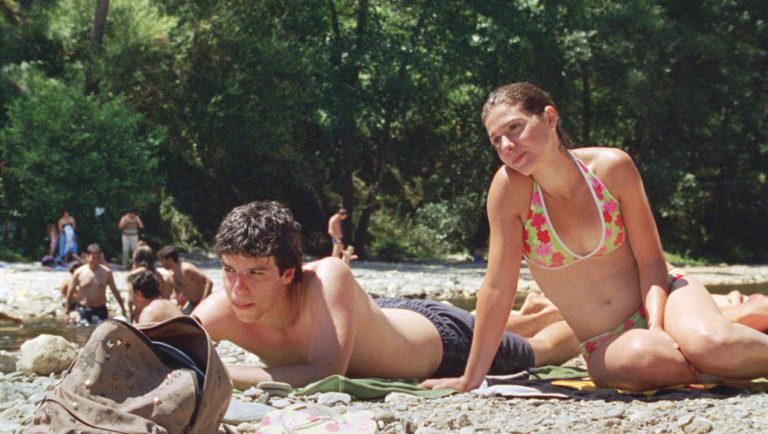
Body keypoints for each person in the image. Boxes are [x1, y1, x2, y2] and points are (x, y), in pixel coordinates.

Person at [422, 82, 768, 392]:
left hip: (665, 295)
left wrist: (658, 325)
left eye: (515, 128)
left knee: (714, 343)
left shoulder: (611, 168)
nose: (508, 145)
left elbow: (650, 260)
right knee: (643, 358)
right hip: (607, 341)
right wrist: (471, 378)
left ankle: (708, 355)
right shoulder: (509, 190)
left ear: (549, 117)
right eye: (497, 140)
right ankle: (710, 364)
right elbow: (498, 288)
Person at [193, 201, 578, 389]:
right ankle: (538, 309)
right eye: (229, 270)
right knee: (494, 323)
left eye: (255, 273)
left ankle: (591, 324)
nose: (237, 288)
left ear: (288, 273)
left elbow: (325, 372)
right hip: (382, 317)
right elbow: (158, 345)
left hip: (442, 345)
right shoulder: (225, 306)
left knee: (540, 350)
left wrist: (218, 373)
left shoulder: (327, 275)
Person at [64, 243, 127, 325]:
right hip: (84, 309)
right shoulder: (79, 272)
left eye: (98, 258)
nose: (96, 261)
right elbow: (70, 292)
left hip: (101, 309)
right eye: (93, 258)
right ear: (87, 257)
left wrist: (123, 309)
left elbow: (115, 291)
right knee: (82, 334)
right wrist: (67, 313)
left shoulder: (106, 272)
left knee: (102, 335)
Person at [157, 245, 213, 315]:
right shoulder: (170, 278)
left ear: (170, 259)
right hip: (192, 305)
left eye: (162, 261)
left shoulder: (187, 269)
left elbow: (209, 282)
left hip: (206, 302)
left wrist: (202, 302)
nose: (161, 264)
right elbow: (165, 298)